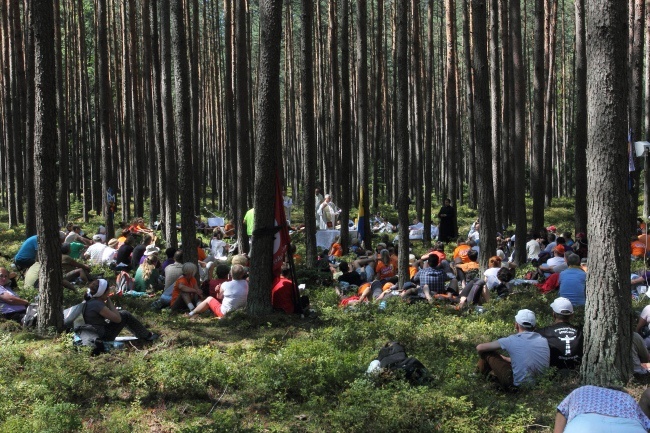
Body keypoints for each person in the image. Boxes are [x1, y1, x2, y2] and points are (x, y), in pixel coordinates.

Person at [476, 309, 550, 389]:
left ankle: (476, 376)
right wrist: (504, 359)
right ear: (534, 326)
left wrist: (488, 357)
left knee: (487, 352)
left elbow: (479, 347)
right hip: (540, 385)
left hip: (517, 386)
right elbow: (528, 359)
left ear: (516, 325)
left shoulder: (511, 340)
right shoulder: (543, 340)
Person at [83, 279, 159, 343]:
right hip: (101, 337)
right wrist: (109, 301)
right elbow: (118, 319)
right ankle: (147, 336)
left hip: (91, 334)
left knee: (121, 315)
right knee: (125, 315)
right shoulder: (97, 304)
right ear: (104, 292)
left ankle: (144, 334)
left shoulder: (90, 301)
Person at [554, 385, 650, 433]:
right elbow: (646, 424)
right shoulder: (627, 398)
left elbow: (562, 410)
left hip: (584, 426)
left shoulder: (583, 390)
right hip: (630, 427)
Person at [537, 297, 583, 370]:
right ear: (572, 315)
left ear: (553, 314)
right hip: (577, 371)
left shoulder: (543, 333)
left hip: (553, 374)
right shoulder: (581, 332)